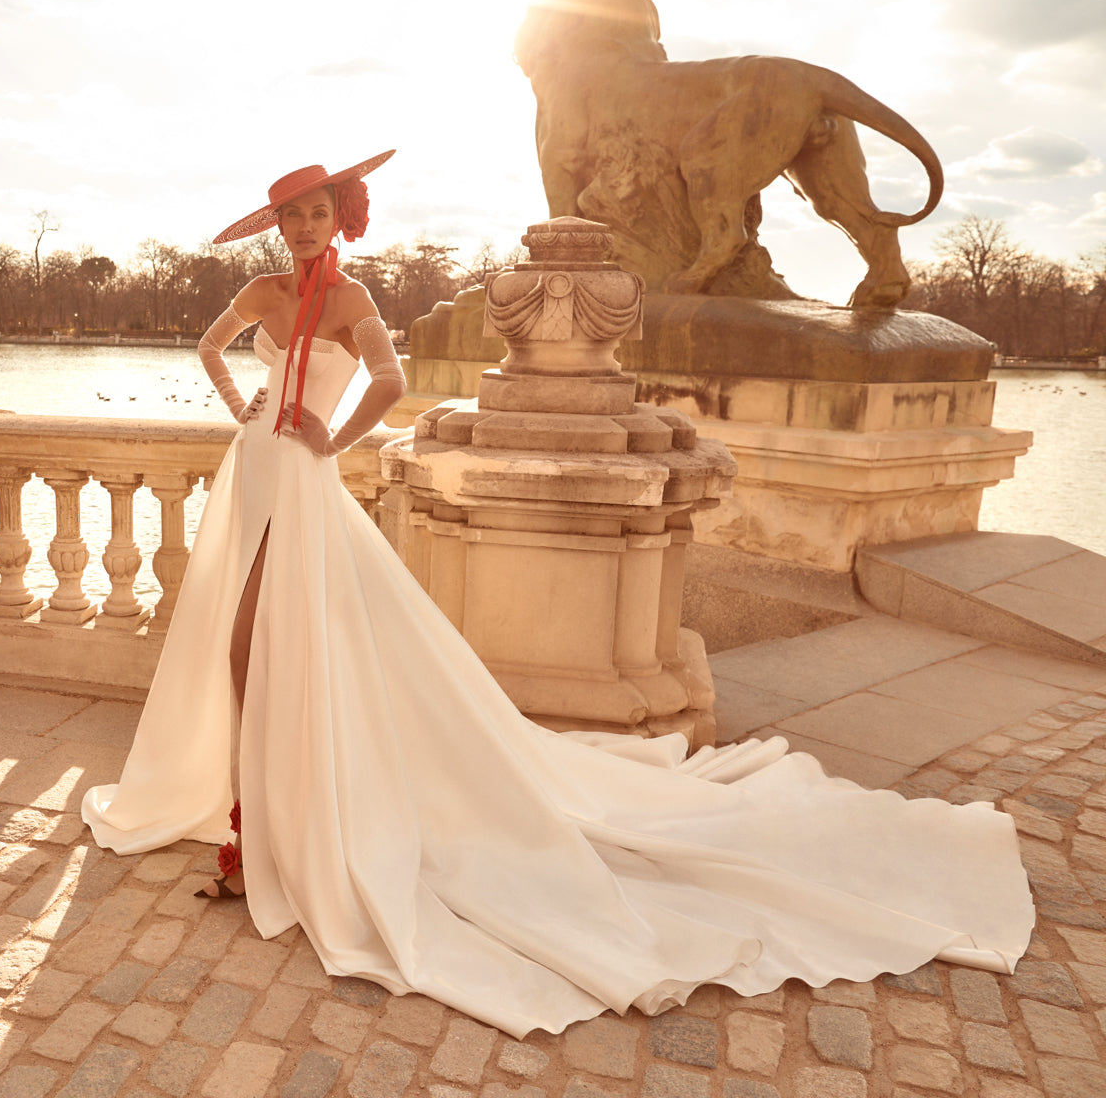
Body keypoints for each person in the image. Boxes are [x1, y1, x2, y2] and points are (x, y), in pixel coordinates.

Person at [82, 152, 1033, 1038]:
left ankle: (269, 826)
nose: (301, 227)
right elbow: (211, 347)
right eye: (289, 216)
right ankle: (253, 817)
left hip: (303, 473)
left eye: (315, 212)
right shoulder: (260, 293)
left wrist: (335, 438)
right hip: (252, 467)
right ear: (277, 227)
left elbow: (393, 379)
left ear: (340, 216)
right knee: (242, 643)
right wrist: (240, 404)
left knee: (274, 644)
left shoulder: (356, 298)